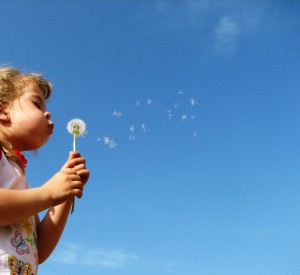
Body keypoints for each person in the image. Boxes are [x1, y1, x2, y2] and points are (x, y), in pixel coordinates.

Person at [0, 67, 89, 273]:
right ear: (3, 112)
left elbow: (39, 248)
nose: (47, 112)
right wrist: (48, 193)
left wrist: (64, 195)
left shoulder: (19, 181)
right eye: (36, 103)